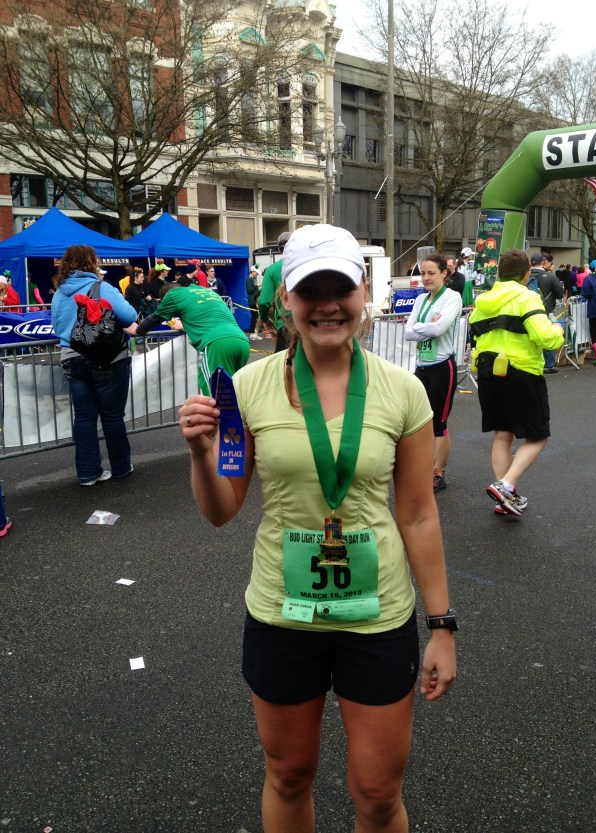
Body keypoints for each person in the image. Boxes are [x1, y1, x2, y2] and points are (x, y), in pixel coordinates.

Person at [177, 223, 456, 833]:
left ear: (363, 293)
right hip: (282, 614)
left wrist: (441, 626)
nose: (327, 305)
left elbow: (416, 513)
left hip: (377, 616)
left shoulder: (403, 392)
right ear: (287, 301)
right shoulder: (245, 389)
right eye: (310, 290)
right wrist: (201, 454)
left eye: (341, 288)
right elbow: (223, 509)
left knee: (379, 793)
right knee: (288, 775)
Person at [469, 248, 564, 516]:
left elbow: (473, 337)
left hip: (488, 372)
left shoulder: (483, 300)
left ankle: (505, 496)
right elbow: (545, 337)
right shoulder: (527, 297)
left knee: (502, 434)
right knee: (538, 434)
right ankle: (507, 486)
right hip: (520, 371)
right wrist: (558, 330)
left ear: (499, 273)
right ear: (525, 275)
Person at [51, 244, 136, 486]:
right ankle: (121, 467)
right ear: (92, 262)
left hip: (71, 357)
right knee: (112, 416)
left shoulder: (59, 293)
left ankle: (88, 473)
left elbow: (57, 328)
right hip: (107, 358)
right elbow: (129, 316)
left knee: (84, 417)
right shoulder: (101, 287)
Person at [127, 282, 250, 394]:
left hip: (217, 343)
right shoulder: (204, 290)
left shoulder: (173, 295)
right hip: (241, 340)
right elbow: (208, 318)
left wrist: (137, 330)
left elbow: (155, 318)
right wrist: (186, 326)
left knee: (216, 395)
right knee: (237, 391)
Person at [405, 253, 463, 492]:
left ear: (444, 273)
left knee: (439, 423)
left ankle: (439, 473)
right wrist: (426, 327)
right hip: (421, 367)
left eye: (431, 273)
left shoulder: (452, 297)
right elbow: (407, 332)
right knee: (419, 422)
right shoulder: (420, 300)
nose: (426, 278)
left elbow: (440, 328)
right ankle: (424, 467)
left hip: (442, 367)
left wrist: (423, 327)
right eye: (423, 273)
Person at [258, 231, 291, 352]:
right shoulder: (306, 266)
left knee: (283, 366)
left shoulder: (272, 270)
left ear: (279, 248)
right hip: (309, 324)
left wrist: (265, 319)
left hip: (285, 324)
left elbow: (264, 302)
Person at [533, 253, 564, 374]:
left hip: (526, 311)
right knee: (549, 335)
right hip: (546, 310)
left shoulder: (524, 275)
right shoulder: (550, 276)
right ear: (543, 263)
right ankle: (549, 364)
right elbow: (560, 294)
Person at [246, 266, 261, 336]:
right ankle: (252, 329)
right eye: (256, 272)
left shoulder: (254, 279)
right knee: (254, 316)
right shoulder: (249, 279)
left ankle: (256, 329)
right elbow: (249, 290)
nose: (257, 274)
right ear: (252, 271)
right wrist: (257, 286)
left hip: (256, 300)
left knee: (257, 315)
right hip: (252, 300)